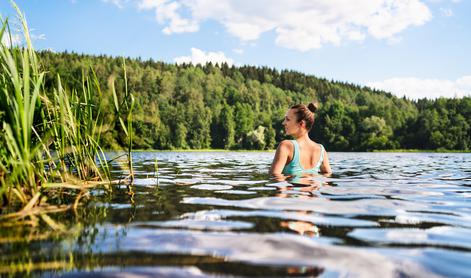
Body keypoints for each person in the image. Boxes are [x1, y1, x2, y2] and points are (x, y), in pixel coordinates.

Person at [269, 102, 332, 176]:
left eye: (288, 119)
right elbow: (327, 178)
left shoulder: (286, 146)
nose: (283, 123)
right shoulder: (321, 150)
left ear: (301, 124)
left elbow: (274, 177)